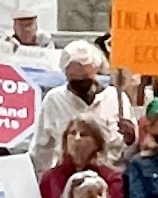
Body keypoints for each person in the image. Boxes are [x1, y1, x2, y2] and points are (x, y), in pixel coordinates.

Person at [32, 41, 128, 173]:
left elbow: (129, 147)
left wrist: (130, 137)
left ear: (96, 71)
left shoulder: (115, 98)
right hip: (67, 174)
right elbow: (40, 149)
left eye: (84, 77)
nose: (80, 84)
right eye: (74, 78)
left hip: (110, 174)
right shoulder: (54, 100)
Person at [38, 115, 126, 198]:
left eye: (84, 134)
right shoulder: (49, 178)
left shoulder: (111, 177)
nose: (77, 138)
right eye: (72, 133)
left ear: (97, 143)